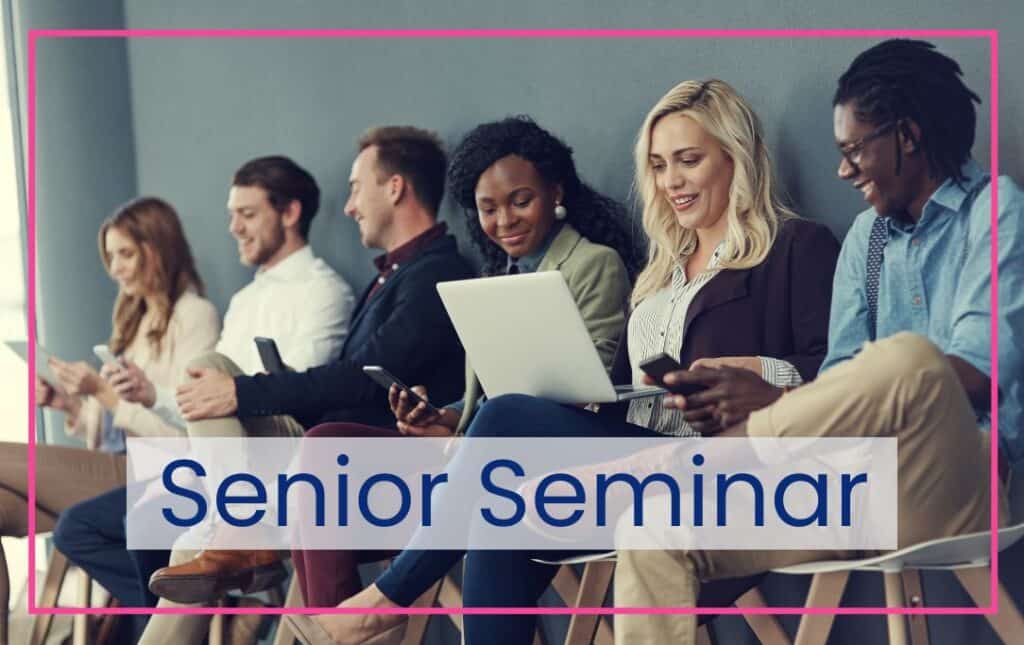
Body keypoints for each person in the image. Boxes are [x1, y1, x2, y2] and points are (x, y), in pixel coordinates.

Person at [283, 79, 841, 645]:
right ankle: (384, 604)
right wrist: (603, 392)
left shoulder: (795, 247)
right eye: (658, 165)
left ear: (736, 157)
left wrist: (758, 370)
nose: (671, 180)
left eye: (688, 160)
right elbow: (625, 390)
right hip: (637, 450)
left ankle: (384, 600)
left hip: (723, 463)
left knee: (502, 423)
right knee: (498, 497)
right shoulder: (659, 273)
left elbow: (842, 376)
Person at [611, 39, 1024, 645]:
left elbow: (979, 373)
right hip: (853, 482)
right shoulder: (867, 237)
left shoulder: (996, 209)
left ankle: (719, 455)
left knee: (911, 359)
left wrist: (761, 428)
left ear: (907, 136)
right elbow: (841, 390)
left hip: (959, 481)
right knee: (652, 531)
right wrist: (770, 399)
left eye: (856, 149)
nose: (843, 170)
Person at [136, 126, 475, 645]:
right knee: (207, 370)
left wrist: (244, 393)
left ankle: (236, 527)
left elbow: (362, 380)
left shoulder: (437, 273)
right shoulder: (393, 276)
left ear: (395, 188)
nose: (349, 206)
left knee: (188, 530)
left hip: (381, 462)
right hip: (337, 452)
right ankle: (235, 526)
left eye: (357, 187)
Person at [289, 115, 639, 609]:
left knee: (330, 493)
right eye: (488, 209)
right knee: (323, 447)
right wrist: (446, 416)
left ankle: (362, 616)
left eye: (521, 201)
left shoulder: (593, 264)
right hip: (470, 450)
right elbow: (488, 396)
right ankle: (334, 623)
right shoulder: (498, 275)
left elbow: (593, 381)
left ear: (555, 192)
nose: (505, 221)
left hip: (544, 460)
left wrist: (472, 430)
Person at [53, 155, 354, 641]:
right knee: (144, 515)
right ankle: (228, 592)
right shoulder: (244, 302)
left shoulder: (322, 291)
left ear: (290, 213)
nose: (234, 227)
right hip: (212, 458)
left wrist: (130, 404)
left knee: (149, 508)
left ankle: (237, 539)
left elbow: (291, 393)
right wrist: (152, 395)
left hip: (274, 456)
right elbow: (204, 401)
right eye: (232, 215)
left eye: (247, 214)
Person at [0, 197, 219, 643]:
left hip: (161, 469)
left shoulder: (195, 316)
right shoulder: (135, 319)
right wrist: (72, 406)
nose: (115, 268)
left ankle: (187, 602)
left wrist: (103, 394)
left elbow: (185, 432)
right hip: (120, 464)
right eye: (110, 256)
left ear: (157, 248)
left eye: (125, 253)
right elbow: (112, 430)